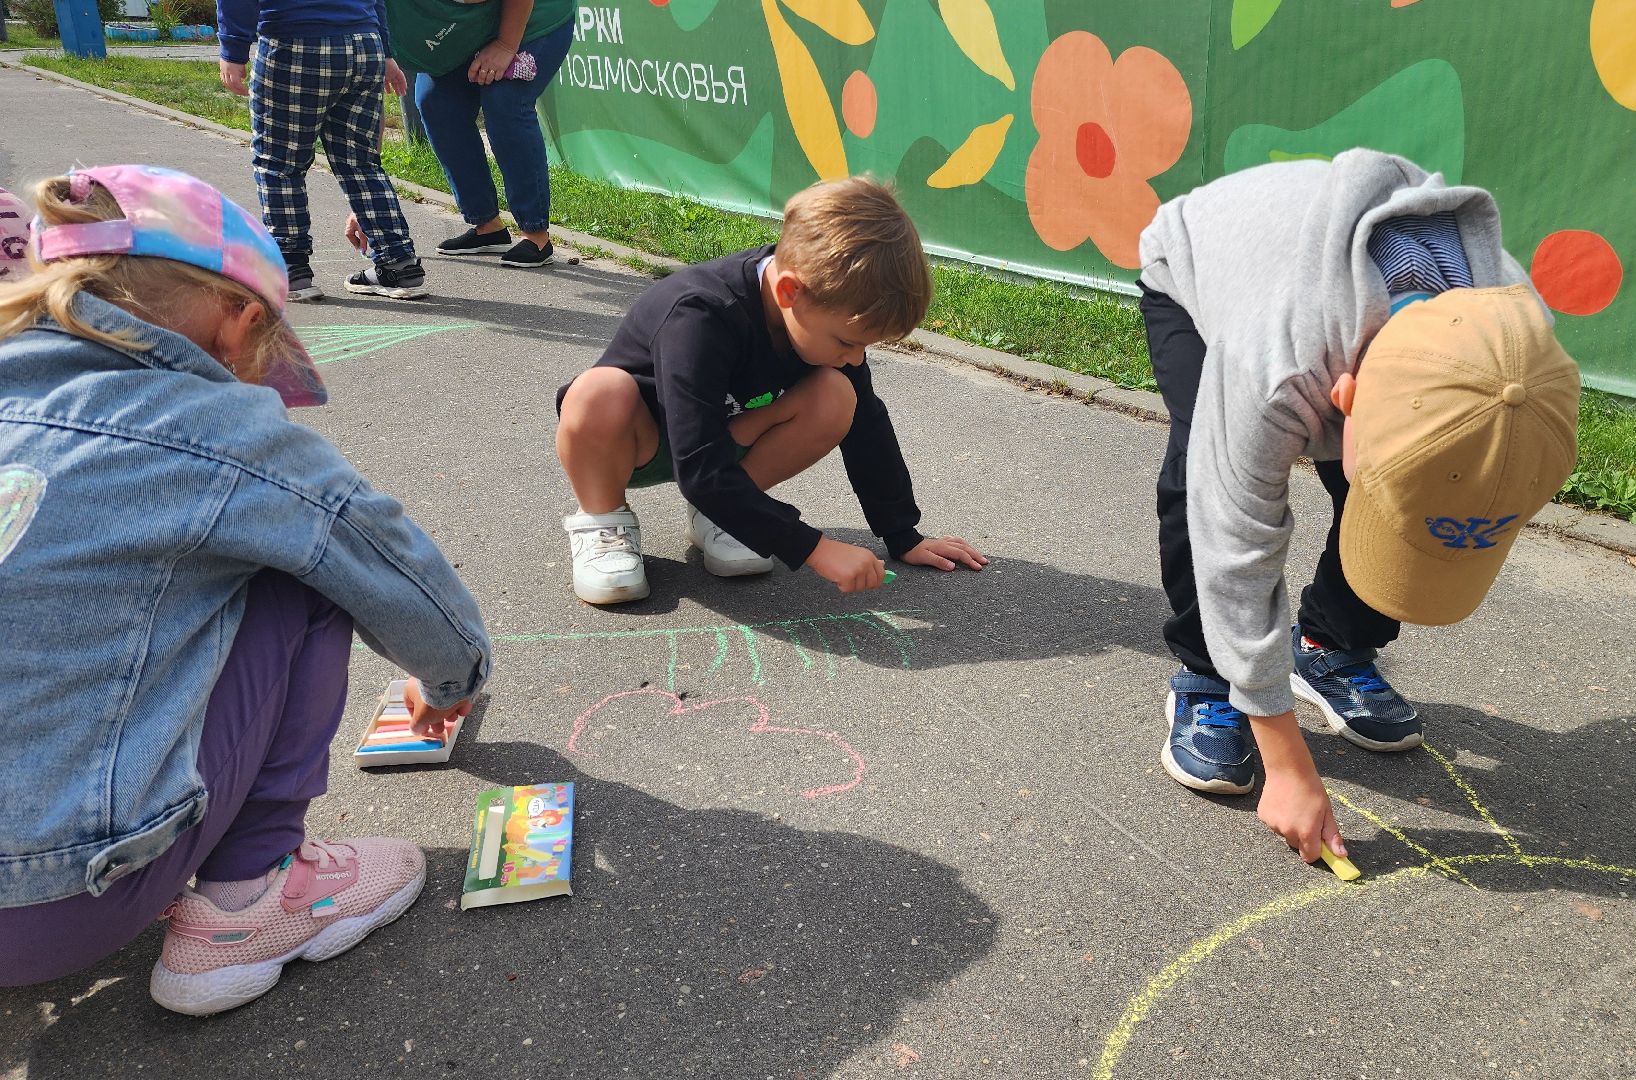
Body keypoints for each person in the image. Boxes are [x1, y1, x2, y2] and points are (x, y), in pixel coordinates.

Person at [0, 166, 491, 1013]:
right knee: (296, 570)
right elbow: (386, 561)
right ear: (240, 318)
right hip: (52, 906)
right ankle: (248, 902)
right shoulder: (219, 427)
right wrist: (454, 677)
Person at [1136, 149, 1579, 862]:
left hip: (1341, 310)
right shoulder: (1278, 360)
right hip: (1196, 266)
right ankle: (1204, 675)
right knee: (1196, 479)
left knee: (1406, 485)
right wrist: (1284, 760)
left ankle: (1329, 644)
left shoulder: (1519, 343)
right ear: (1341, 406)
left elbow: (1443, 492)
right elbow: (1234, 540)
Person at [553, 176, 987, 604]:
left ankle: (724, 516)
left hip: (723, 445)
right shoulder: (700, 315)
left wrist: (901, 534)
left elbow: (867, 425)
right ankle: (603, 519)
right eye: (847, 342)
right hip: (635, 444)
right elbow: (699, 466)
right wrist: (813, 548)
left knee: (839, 396)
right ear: (789, 291)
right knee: (598, 392)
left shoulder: (818, 310)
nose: (856, 357)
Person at [216, 0, 429, 300]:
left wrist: (233, 49)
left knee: (280, 163)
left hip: (295, 39)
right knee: (360, 162)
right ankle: (398, 263)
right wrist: (384, 49)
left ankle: (291, 269)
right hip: (363, 42)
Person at [388, 0, 577, 268]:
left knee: (504, 100)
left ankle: (535, 234)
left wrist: (505, 46)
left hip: (534, 19)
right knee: (436, 102)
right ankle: (488, 227)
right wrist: (363, 196)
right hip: (467, 30)